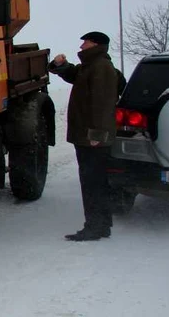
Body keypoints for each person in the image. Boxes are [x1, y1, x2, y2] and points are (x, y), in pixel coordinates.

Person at [48, 31, 118, 241]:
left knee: (93, 183)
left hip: (93, 138)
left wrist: (97, 134)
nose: (81, 46)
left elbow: (103, 104)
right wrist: (61, 65)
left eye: (85, 42)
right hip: (87, 136)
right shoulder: (91, 66)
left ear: (95, 44)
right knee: (94, 181)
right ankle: (102, 224)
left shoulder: (101, 68)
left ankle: (95, 227)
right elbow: (74, 74)